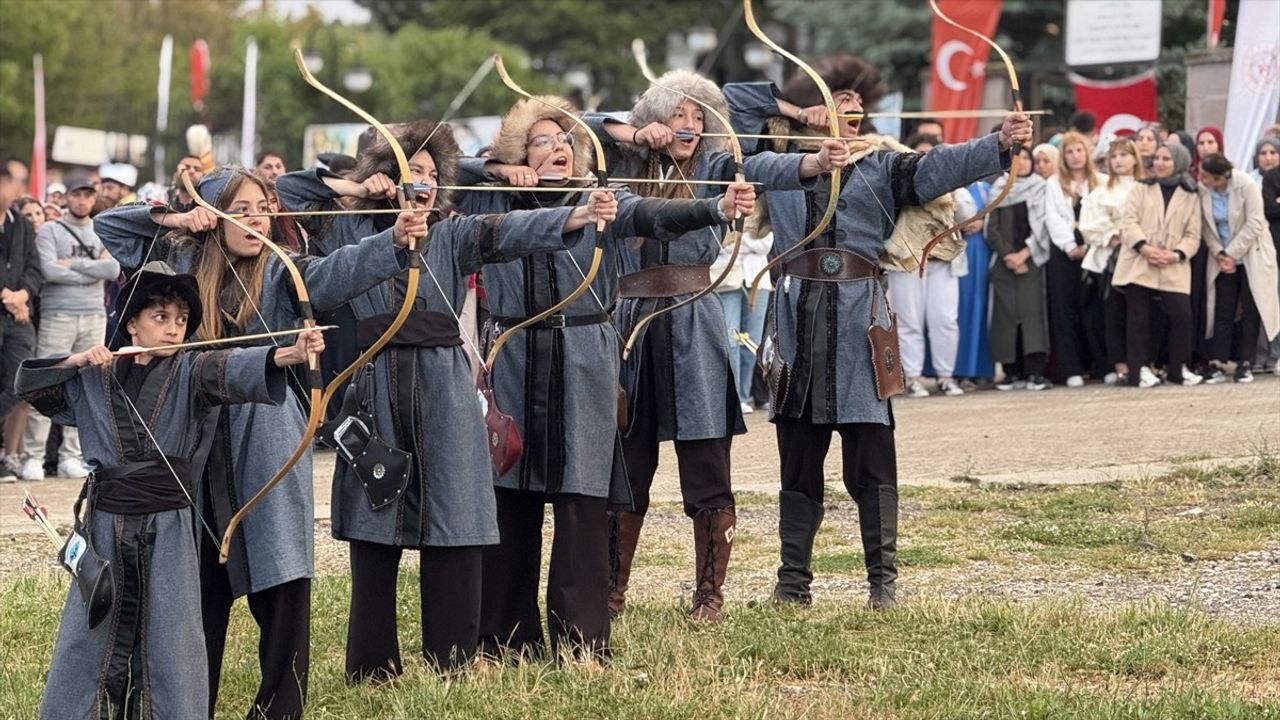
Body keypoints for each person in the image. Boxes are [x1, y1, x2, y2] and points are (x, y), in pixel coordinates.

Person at [277, 119, 618, 679]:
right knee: (374, 527)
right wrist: (363, 193)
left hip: (445, 391)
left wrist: (577, 215)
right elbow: (291, 194)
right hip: (374, 387)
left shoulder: (453, 233)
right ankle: (372, 668)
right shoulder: (348, 229)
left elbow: (509, 230)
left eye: (434, 174)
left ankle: (453, 659)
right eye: (413, 170)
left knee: (456, 520)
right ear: (387, 175)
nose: (426, 182)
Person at [97, 165, 415, 718]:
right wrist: (176, 217)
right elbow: (111, 227)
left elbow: (341, 269)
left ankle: (280, 706)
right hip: (192, 438)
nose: (255, 217)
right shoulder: (182, 264)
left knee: (281, 570)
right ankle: (190, 700)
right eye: (238, 209)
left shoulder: (282, 271)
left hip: (266, 436)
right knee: (196, 581)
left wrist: (392, 238)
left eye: (262, 206)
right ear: (215, 216)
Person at [723, 53, 1029, 610]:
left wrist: (1000, 144)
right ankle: (793, 585)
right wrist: (801, 114)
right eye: (843, 99)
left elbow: (943, 167)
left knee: (872, 462)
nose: (856, 109)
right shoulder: (774, 164)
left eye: (861, 103)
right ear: (814, 109)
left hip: (862, 328)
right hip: (798, 325)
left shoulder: (886, 167)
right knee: (797, 462)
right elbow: (732, 101)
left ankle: (882, 583)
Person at [459, 94, 755, 657]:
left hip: (584, 359)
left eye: (566, 140)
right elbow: (453, 172)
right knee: (511, 500)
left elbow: (654, 213)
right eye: (543, 140)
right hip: (518, 356)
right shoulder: (491, 195)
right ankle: (505, 638)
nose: (560, 148)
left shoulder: (603, 198)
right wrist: (499, 166)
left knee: (581, 500)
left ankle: (581, 640)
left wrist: (714, 208)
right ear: (519, 152)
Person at [18, 260, 322, 720]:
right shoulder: (93, 377)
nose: (173, 329)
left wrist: (289, 354)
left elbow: (234, 369)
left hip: (169, 527)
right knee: (93, 632)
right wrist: (79, 359)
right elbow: (32, 385)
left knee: (171, 637)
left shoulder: (193, 371)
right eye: (159, 318)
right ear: (132, 325)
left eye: (181, 321)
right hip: (106, 527)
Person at [582, 71, 762, 623]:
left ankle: (709, 593)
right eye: (679, 115)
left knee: (707, 459)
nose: (690, 125)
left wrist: (730, 188)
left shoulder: (714, 166)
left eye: (698, 117)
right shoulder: (628, 165)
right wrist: (638, 135)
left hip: (694, 318)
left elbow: (761, 145)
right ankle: (611, 591)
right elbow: (584, 125)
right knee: (627, 462)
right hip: (633, 320)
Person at [22, 173, 118, 482]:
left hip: (93, 315)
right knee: (47, 381)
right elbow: (49, 270)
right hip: (58, 315)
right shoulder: (51, 230)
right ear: (67, 197)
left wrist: (73, 265)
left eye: (88, 195)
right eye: (77, 194)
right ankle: (33, 456)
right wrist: (93, 270)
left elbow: (113, 268)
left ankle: (72, 455)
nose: (82, 200)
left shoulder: (100, 229)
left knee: (87, 386)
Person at [1115, 143, 1203, 387]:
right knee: (1138, 319)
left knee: (1181, 315)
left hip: (1173, 262)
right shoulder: (1139, 189)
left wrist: (1176, 254)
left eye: (1166, 158)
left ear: (1180, 161)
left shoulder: (1191, 194)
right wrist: (1144, 247)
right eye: (1157, 158)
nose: (1160, 163)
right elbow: (1128, 222)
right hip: (1139, 259)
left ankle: (1178, 368)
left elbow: (1193, 234)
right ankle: (1139, 369)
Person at [886, 133, 966, 397]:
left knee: (945, 319)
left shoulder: (952, 182)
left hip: (942, 261)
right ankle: (913, 377)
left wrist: (951, 194)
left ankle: (946, 376)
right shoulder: (893, 182)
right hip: (906, 260)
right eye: (918, 154)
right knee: (908, 320)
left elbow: (971, 215)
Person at [986, 147, 1069, 392]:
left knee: (1033, 316)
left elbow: (1043, 225)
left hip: (1033, 261)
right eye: (1016, 158)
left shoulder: (1041, 187)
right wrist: (1008, 256)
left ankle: (1035, 372)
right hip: (1004, 264)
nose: (1021, 163)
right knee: (1006, 317)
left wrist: (1024, 254)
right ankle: (1011, 373)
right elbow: (992, 227)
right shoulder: (999, 188)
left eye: (1025, 158)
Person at [1197, 154, 1280, 383]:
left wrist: (1232, 253)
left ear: (1218, 177)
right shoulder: (1203, 191)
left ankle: (1246, 362)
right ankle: (1218, 361)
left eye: (1205, 175)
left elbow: (1255, 222)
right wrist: (1221, 254)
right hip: (1221, 257)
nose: (1200, 178)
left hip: (1251, 254)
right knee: (1223, 309)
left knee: (1250, 310)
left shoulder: (1246, 184)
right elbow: (1206, 227)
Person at [1079, 137, 1145, 385]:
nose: (1119, 161)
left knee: (1141, 315)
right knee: (1114, 314)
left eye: (1124, 155)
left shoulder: (1144, 187)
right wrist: (1112, 236)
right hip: (1111, 261)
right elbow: (1088, 225)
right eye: (1114, 156)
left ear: (1134, 158)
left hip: (1142, 259)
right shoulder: (1102, 191)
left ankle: (1143, 363)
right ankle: (1120, 366)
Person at [1047, 131, 1108, 387]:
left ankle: (1103, 365)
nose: (1075, 156)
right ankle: (1072, 367)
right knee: (1065, 309)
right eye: (1069, 152)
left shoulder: (1101, 181)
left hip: (1095, 250)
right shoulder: (1053, 183)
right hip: (1065, 254)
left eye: (1079, 150)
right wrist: (1070, 245)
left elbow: (1106, 215)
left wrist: (1090, 243)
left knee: (1096, 309)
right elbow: (1053, 218)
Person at [0, 159, 42, 483]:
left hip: (17, 316)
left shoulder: (21, 224)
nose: (21, 188)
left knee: (20, 380)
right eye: (16, 181)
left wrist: (23, 296)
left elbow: (33, 267)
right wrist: (8, 296)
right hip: (8, 306)